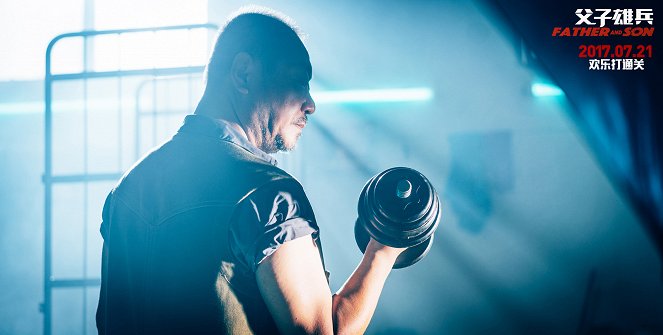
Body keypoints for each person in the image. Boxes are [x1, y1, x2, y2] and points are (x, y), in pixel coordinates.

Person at [96, 9, 404, 335]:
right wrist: (384, 249)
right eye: (298, 82)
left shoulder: (127, 190)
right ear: (243, 74)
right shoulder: (270, 195)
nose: (310, 103)